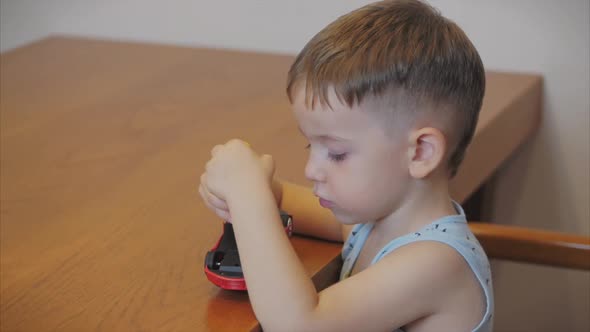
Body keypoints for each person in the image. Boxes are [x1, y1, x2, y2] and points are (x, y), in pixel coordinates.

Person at [198, 0, 493, 331]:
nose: (311, 169)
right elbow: (307, 208)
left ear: (421, 153)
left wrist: (248, 197)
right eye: (313, 145)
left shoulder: (437, 263)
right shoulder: (378, 219)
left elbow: (300, 324)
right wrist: (265, 191)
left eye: (336, 153)